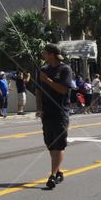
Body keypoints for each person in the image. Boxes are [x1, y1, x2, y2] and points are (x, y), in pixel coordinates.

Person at [35, 44, 73, 190]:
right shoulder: (43, 70)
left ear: (51, 54)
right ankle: (57, 171)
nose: (43, 55)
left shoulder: (65, 69)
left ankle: (52, 175)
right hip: (47, 113)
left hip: (60, 112)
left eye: (45, 53)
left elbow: (63, 89)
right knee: (50, 144)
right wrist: (38, 109)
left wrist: (48, 81)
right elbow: (38, 91)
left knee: (59, 144)